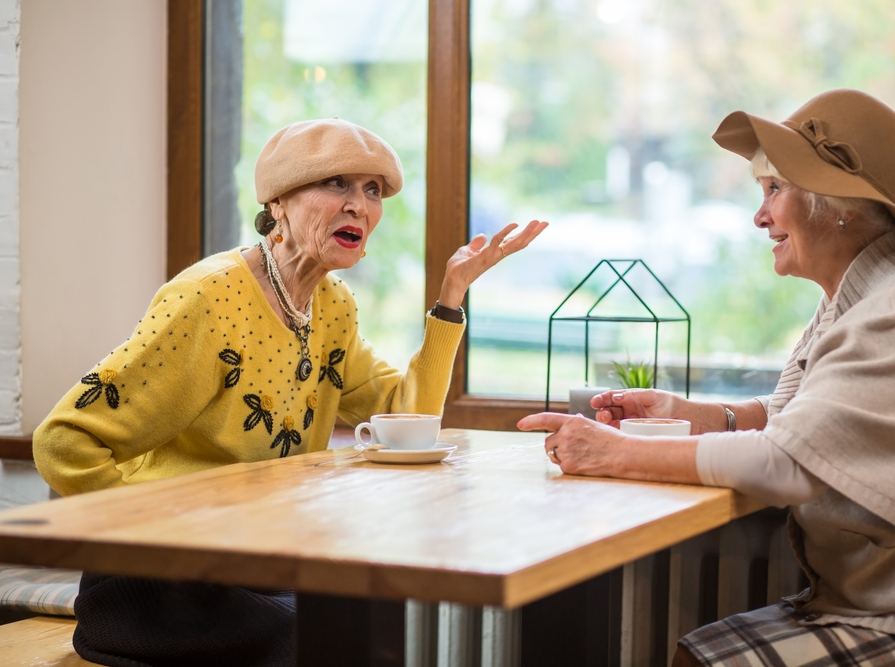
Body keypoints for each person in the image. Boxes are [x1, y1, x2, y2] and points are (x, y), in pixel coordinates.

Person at [33, 117, 546, 667]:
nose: (359, 205)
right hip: (159, 589)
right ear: (277, 202)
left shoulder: (333, 307)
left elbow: (406, 419)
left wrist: (452, 295)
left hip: (260, 568)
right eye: (336, 184)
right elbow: (64, 442)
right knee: (342, 639)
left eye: (372, 190)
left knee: (381, 616)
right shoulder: (208, 298)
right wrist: (161, 541)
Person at [519, 89, 895, 666]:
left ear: (841, 201)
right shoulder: (865, 295)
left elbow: (786, 464)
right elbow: (794, 420)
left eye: (776, 189)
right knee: (693, 655)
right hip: (882, 601)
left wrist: (611, 453)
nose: (760, 215)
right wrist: (696, 415)